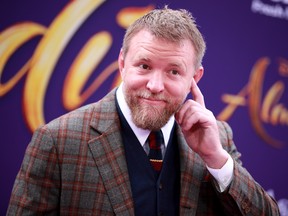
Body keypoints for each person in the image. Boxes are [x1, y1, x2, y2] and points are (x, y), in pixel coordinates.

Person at [7, 6, 279, 215]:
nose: (155, 85)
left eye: (174, 71)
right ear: (123, 63)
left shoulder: (218, 138)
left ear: (194, 79)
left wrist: (216, 159)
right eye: (144, 66)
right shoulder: (57, 140)